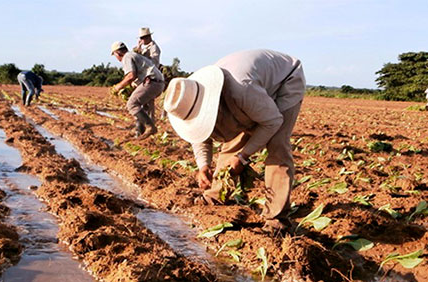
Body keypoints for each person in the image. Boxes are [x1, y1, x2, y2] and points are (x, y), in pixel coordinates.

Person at [163, 49, 306, 232]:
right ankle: (215, 196)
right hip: (252, 88)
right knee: (232, 141)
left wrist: (243, 156)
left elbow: (273, 121)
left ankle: (277, 219)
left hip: (286, 81)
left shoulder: (241, 89)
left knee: (277, 146)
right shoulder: (193, 94)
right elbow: (200, 134)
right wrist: (203, 165)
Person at [110, 41, 164, 139]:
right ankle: (139, 134)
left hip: (151, 82)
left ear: (118, 53)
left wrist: (118, 87)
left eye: (115, 56)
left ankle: (150, 127)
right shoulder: (134, 55)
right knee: (141, 107)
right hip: (158, 83)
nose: (116, 58)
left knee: (132, 104)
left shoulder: (127, 57)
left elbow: (131, 75)